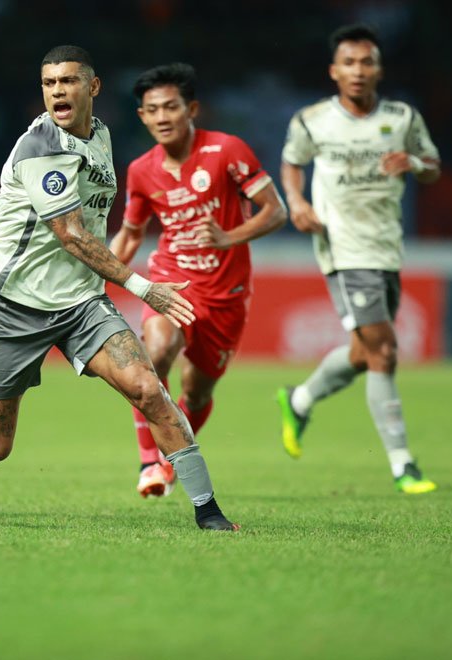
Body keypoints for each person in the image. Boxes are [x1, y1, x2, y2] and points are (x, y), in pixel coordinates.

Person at [0, 45, 239, 531]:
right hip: (14, 307)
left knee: (148, 389)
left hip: (82, 304)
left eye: (67, 81)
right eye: (48, 83)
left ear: (93, 87)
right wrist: (143, 287)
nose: (57, 91)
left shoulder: (100, 135)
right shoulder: (43, 148)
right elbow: (71, 234)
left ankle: (207, 509)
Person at [277, 24, 441, 494]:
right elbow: (292, 162)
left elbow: (433, 165)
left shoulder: (402, 117)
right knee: (385, 351)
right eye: (349, 63)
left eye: (366, 62)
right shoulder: (312, 120)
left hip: (387, 244)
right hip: (343, 247)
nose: (358, 70)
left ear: (379, 70)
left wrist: (413, 164)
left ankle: (300, 399)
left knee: (364, 351)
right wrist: (297, 202)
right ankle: (402, 463)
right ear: (334, 71)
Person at [109, 63, 286, 498]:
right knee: (157, 349)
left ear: (192, 110)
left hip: (227, 293)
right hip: (173, 278)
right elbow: (132, 232)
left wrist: (230, 237)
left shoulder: (228, 150)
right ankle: (151, 460)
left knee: (198, 390)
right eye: (153, 110)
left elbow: (274, 210)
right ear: (142, 117)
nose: (163, 117)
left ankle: (173, 453)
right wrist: (96, 274)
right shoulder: (141, 170)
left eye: (172, 107)